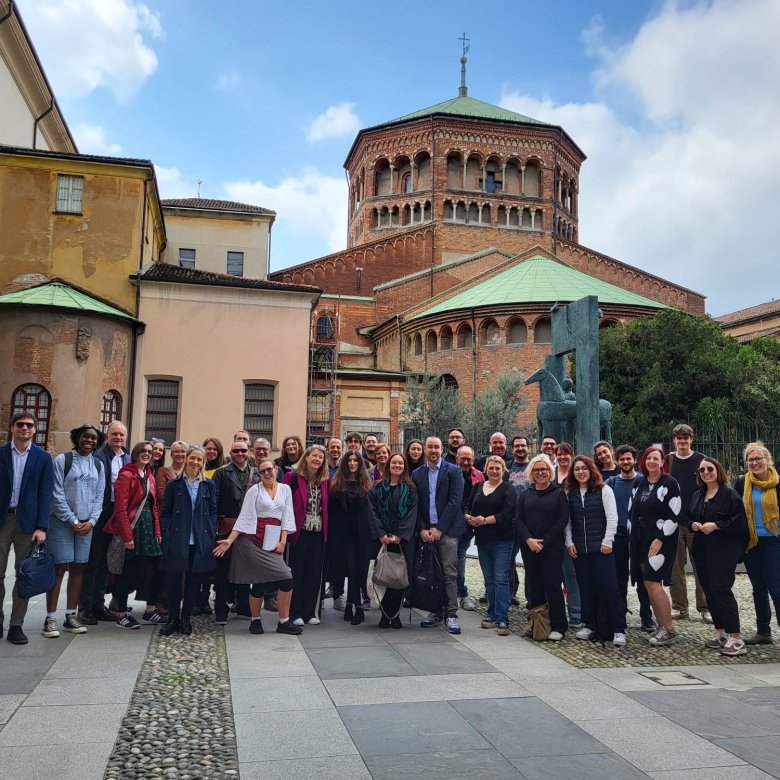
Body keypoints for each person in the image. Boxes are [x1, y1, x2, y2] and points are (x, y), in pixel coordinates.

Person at [213, 457, 302, 636]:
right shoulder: (254, 490)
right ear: (259, 474)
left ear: (276, 469)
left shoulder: (284, 489)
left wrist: (283, 541)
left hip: (273, 541)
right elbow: (244, 517)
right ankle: (255, 620)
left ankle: (283, 621)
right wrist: (229, 541)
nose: (267, 473)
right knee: (259, 582)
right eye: (262, 471)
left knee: (286, 578)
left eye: (269, 469)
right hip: (251, 542)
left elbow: (287, 517)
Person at [44, 424, 106, 638]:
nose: (89, 441)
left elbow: (100, 496)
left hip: (87, 524)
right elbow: (56, 494)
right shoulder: (63, 460)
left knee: (79, 568)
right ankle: (50, 618)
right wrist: (72, 520)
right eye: (85, 437)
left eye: (94, 438)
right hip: (62, 522)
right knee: (59, 568)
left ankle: (71, 615)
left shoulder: (98, 465)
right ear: (77, 437)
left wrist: (92, 521)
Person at [0, 412, 54, 644]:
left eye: (29, 425)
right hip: (3, 519)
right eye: (20, 424)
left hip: (28, 523)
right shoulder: (1, 453)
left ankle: (16, 625)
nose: (24, 428)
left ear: (35, 429)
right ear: (12, 427)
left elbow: (46, 493)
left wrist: (42, 526)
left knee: (24, 576)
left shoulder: (43, 458)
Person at [689, 457, 748, 656]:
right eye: (702, 470)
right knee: (709, 590)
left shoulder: (729, 495)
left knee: (721, 589)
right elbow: (691, 516)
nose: (706, 472)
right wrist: (693, 525)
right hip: (702, 549)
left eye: (710, 469)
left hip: (724, 549)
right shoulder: (698, 494)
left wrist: (717, 525)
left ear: (718, 470)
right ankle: (721, 632)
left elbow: (739, 522)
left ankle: (736, 638)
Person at [565, 456, 626, 646]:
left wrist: (608, 541)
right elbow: (567, 521)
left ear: (591, 470)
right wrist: (569, 542)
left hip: (601, 548)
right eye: (577, 469)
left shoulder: (603, 490)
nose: (581, 472)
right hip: (580, 549)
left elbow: (612, 517)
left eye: (584, 468)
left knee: (609, 587)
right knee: (585, 587)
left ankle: (618, 628)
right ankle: (589, 623)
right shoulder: (571, 493)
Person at [103, 441, 162, 630]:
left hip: (148, 528)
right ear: (135, 453)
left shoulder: (150, 476)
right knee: (126, 572)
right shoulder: (126, 475)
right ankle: (121, 613)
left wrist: (158, 531)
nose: (146, 454)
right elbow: (120, 509)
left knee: (154, 569)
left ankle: (150, 610)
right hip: (132, 527)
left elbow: (153, 507)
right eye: (143, 451)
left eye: (150, 452)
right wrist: (127, 536)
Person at [159, 446, 217, 635]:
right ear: (186, 459)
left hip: (199, 540)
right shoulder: (174, 484)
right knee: (174, 581)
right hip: (178, 538)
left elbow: (213, 511)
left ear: (203, 463)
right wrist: (168, 530)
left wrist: (209, 531)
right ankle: (173, 618)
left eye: (199, 460)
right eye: (193, 458)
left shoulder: (208, 485)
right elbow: (165, 511)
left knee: (194, 582)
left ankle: (186, 619)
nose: (195, 462)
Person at [630, 445, 682, 646]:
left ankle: (669, 628)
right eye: (648, 458)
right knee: (649, 584)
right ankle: (662, 626)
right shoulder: (639, 482)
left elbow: (674, 514)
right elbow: (632, 510)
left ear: (662, 462)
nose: (652, 461)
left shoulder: (669, 483)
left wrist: (660, 538)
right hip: (641, 541)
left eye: (656, 458)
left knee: (653, 582)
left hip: (661, 541)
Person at [78, 420, 130, 624]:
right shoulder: (98, 456)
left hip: (119, 513)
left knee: (107, 562)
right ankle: (85, 607)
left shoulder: (127, 458)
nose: (118, 438)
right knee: (93, 560)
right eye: (114, 434)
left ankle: (98, 604)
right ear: (108, 436)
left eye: (121, 435)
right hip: (100, 512)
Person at [413, 436, 465, 634]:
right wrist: (422, 529)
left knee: (449, 573)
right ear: (425, 450)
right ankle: (435, 611)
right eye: (430, 447)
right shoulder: (417, 474)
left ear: (442, 449)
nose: (433, 450)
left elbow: (455, 501)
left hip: (447, 531)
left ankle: (451, 614)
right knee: (430, 573)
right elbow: (415, 505)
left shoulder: (453, 471)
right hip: (426, 531)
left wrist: (440, 528)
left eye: (437, 447)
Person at [515, 455, 569, 641]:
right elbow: (518, 520)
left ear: (549, 471)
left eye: (544, 469)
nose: (540, 473)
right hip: (529, 547)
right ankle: (537, 622)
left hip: (551, 547)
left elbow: (561, 521)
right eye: (537, 470)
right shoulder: (525, 494)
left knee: (553, 585)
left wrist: (543, 542)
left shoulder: (558, 493)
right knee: (534, 586)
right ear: (531, 472)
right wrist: (529, 539)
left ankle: (559, 625)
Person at [466, 455, 517, 636]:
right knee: (488, 579)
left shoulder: (508, 489)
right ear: (486, 470)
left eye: (498, 468)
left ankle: (502, 617)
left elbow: (508, 514)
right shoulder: (478, 487)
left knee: (501, 578)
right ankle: (492, 613)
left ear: (503, 470)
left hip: (502, 539)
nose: (494, 471)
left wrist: (485, 520)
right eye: (491, 468)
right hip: (483, 539)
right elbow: (468, 506)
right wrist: (469, 518)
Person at [735, 442, 780, 646]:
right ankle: (763, 631)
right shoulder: (742, 482)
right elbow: (736, 511)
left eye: (758, 458)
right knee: (758, 587)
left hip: (775, 541)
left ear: (768, 459)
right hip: (752, 541)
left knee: (775, 586)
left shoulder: (777, 483)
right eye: (751, 459)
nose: (755, 463)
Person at [606, 445, 654, 632]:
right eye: (622, 459)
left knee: (644, 579)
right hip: (618, 536)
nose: (625, 462)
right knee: (619, 579)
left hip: (641, 537)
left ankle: (646, 616)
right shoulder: (611, 482)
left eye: (629, 459)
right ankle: (620, 615)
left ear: (635, 460)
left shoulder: (645, 481)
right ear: (617, 461)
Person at [369, 453, 419, 627]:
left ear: (404, 466)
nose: (397, 465)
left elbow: (412, 514)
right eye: (394, 462)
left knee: (399, 577)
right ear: (389, 465)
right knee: (383, 577)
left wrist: (399, 535)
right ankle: (384, 614)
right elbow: (372, 512)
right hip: (381, 539)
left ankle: (395, 614)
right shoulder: (376, 488)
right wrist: (381, 534)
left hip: (403, 541)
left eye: (400, 463)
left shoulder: (411, 489)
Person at [666, 424, 709, 623]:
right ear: (674, 440)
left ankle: (705, 606)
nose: (682, 441)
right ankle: (679, 606)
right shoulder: (668, 460)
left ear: (692, 439)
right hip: (673, 520)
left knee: (701, 564)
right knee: (675, 566)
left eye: (686, 438)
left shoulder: (702, 461)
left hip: (696, 521)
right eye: (679, 438)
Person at [284, 444, 330, 625]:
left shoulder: (325, 480)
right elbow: (285, 503)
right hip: (299, 532)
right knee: (297, 572)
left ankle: (310, 612)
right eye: (315, 456)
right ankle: (295, 612)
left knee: (314, 572)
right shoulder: (293, 477)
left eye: (320, 457)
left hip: (318, 533)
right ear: (307, 457)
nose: (317, 460)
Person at [211, 440, 253, 623]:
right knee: (223, 570)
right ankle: (221, 609)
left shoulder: (256, 472)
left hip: (250, 528)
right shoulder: (222, 472)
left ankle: (244, 606)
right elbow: (213, 500)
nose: (240, 453)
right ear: (231, 452)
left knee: (245, 568)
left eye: (243, 450)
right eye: (236, 450)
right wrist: (213, 525)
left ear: (248, 451)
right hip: (226, 525)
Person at [328, 451, 373, 623]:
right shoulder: (337, 485)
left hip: (362, 535)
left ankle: (353, 605)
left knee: (359, 569)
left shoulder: (367, 485)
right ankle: (354, 605)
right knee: (350, 568)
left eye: (356, 460)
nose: (352, 463)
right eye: (349, 460)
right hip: (343, 535)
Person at [554, 442, 581, 628]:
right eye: (559, 454)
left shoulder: (577, 474)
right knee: (555, 574)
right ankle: (555, 611)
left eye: (566, 454)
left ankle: (576, 613)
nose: (563, 457)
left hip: (573, 529)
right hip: (553, 530)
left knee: (571, 574)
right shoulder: (551, 472)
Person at [455, 445, 484, 612]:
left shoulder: (479, 476)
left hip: (468, 526)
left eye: (469, 459)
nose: (466, 462)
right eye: (463, 458)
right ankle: (460, 592)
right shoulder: (450, 473)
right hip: (451, 524)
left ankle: (461, 593)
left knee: (460, 557)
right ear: (457, 459)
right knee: (456, 559)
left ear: (474, 460)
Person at [507, 436, 531, 605]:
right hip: (511, 520)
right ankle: (509, 594)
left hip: (531, 521)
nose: (520, 448)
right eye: (517, 446)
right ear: (513, 449)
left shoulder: (534, 466)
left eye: (523, 445)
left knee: (530, 563)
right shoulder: (507, 467)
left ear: (528, 447)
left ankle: (532, 598)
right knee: (508, 560)